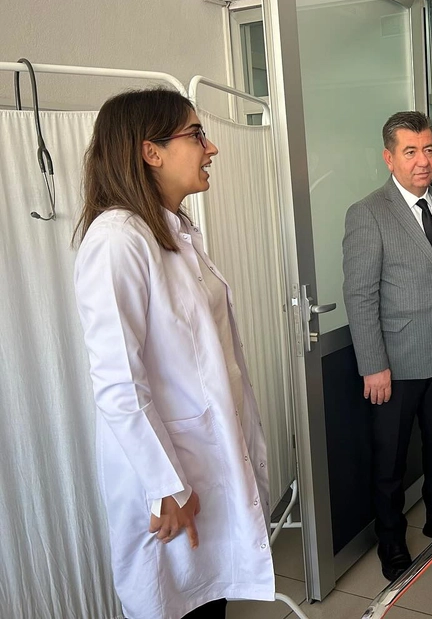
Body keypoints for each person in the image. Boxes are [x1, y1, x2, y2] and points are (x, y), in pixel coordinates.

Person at [73, 89, 274, 619]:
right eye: (196, 135)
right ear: (151, 151)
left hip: (203, 461)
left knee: (208, 598)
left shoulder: (175, 230)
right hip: (166, 478)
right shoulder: (117, 240)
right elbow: (119, 383)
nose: (211, 148)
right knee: (175, 602)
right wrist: (164, 487)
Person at [342, 111, 432, 581]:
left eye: (429, 149)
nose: (423, 161)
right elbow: (361, 296)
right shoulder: (368, 213)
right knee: (391, 458)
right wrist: (373, 364)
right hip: (395, 362)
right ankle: (392, 540)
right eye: (410, 151)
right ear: (389, 158)